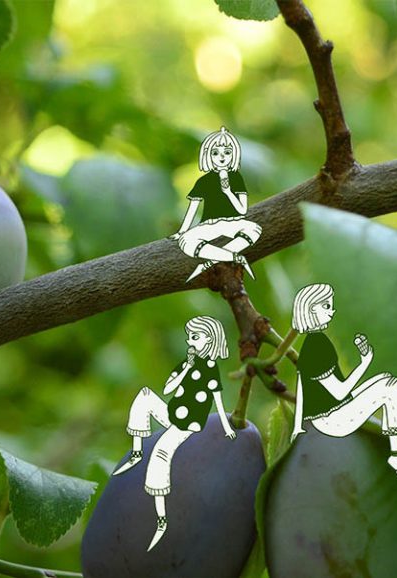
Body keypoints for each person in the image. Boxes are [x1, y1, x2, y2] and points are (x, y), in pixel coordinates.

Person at [289, 284, 397, 503]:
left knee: (386, 383)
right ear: (312, 309)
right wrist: (365, 363)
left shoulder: (309, 344)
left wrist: (298, 427)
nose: (331, 311)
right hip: (332, 419)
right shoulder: (318, 344)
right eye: (326, 306)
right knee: (393, 388)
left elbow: (301, 387)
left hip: (326, 416)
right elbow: (339, 391)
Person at [113, 316, 236, 550]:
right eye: (189, 336)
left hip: (187, 425)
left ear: (209, 340)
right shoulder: (187, 363)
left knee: (160, 453)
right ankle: (137, 452)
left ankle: (161, 520)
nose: (190, 341)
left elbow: (217, 399)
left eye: (195, 337)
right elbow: (169, 388)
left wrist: (228, 425)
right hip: (172, 416)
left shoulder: (211, 369)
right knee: (145, 397)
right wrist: (186, 369)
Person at [170, 127, 262, 282]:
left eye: (226, 152)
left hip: (232, 223)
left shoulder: (236, 179)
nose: (221, 157)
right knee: (186, 242)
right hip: (209, 225)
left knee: (254, 229)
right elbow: (192, 209)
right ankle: (232, 256)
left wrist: (228, 192)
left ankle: (216, 259)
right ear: (207, 155)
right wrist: (182, 232)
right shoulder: (204, 181)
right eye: (215, 153)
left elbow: (241, 210)